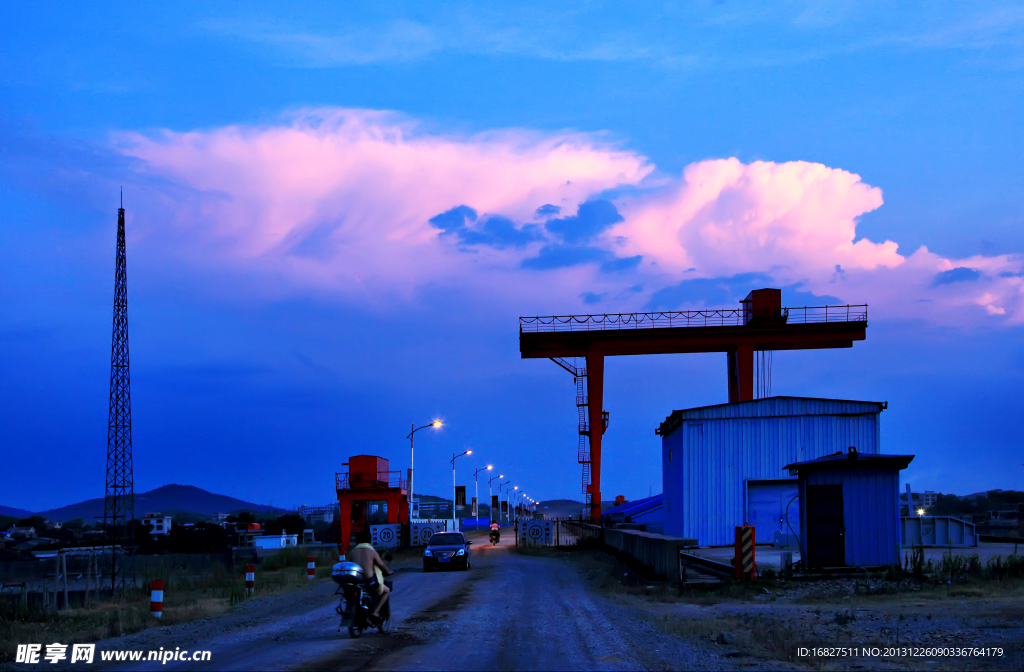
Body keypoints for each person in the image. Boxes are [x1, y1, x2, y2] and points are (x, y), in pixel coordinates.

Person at [348, 531, 393, 623]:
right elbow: (381, 565)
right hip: (368, 582)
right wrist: (388, 571)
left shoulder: (352, 552)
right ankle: (376, 612)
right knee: (386, 591)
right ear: (370, 540)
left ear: (358, 540)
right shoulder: (372, 552)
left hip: (356, 582)